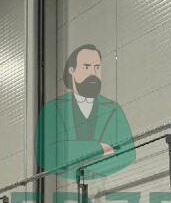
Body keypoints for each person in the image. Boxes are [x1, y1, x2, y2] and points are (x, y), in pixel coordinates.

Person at [35, 44, 135, 180]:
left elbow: (128, 155)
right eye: (86, 67)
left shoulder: (113, 108)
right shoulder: (51, 110)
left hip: (105, 184)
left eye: (97, 67)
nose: (93, 73)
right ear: (72, 70)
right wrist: (99, 147)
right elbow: (46, 156)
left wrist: (78, 158)